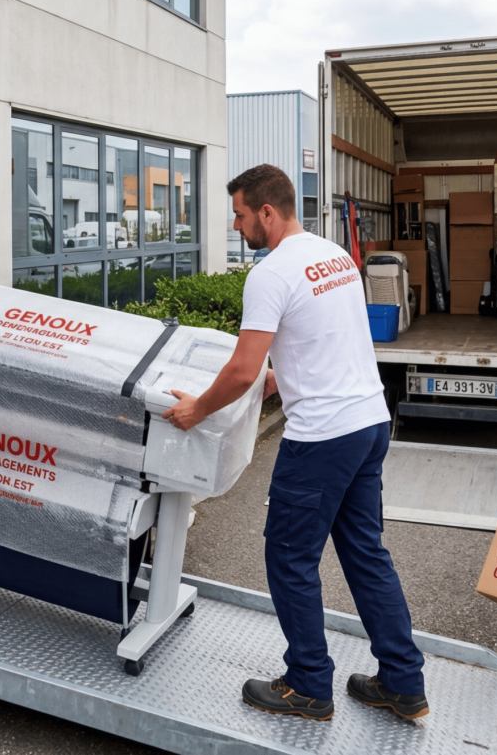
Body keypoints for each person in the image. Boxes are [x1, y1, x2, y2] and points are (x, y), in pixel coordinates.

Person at [162, 164, 427, 722]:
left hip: (322, 438)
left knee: (289, 556)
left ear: (266, 211)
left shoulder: (270, 273)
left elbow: (241, 369)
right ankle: (403, 683)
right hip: (368, 422)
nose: (236, 226)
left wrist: (196, 410)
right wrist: (275, 381)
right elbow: (324, 342)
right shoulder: (335, 256)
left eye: (239, 215)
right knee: (366, 554)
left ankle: (307, 685)